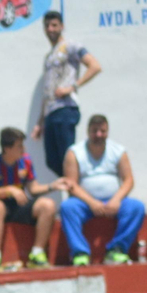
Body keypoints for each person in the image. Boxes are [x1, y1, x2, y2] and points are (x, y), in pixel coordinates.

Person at [60, 114, 145, 266]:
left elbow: (128, 180)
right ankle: (80, 253)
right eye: (95, 131)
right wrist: (92, 203)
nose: (99, 135)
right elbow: (71, 184)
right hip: (85, 203)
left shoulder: (118, 151)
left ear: (107, 131)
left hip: (114, 201)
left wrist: (116, 200)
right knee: (67, 207)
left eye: (102, 131)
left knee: (136, 207)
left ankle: (117, 250)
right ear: (88, 132)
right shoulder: (74, 152)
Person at [30, 11, 102, 178]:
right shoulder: (48, 56)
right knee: (53, 161)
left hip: (65, 109)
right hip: (50, 114)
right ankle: (78, 187)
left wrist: (73, 86)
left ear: (61, 27)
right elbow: (46, 91)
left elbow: (95, 66)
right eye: (47, 26)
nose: (50, 29)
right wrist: (40, 122)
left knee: (67, 159)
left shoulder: (71, 46)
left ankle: (77, 196)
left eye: (54, 25)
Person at [0, 127, 58, 270]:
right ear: (7, 148)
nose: (23, 149)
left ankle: (37, 254)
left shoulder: (26, 161)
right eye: (19, 146)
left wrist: (53, 186)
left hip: (19, 205)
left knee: (48, 205)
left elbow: (33, 189)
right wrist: (9, 190)